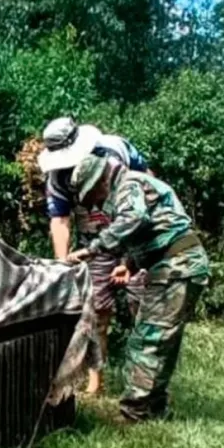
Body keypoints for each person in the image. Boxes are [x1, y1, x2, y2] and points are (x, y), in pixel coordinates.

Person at [66, 154, 209, 423]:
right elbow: (155, 227)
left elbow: (135, 218)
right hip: (177, 264)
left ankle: (135, 413)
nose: (95, 203)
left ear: (101, 182)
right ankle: (154, 409)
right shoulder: (136, 183)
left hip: (176, 266)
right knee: (160, 341)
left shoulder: (128, 185)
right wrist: (129, 264)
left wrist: (91, 250)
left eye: (93, 196)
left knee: (147, 340)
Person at [38, 116, 151, 395]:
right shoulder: (57, 177)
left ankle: (145, 382)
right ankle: (95, 381)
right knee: (96, 311)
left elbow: (148, 184)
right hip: (92, 244)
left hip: (135, 236)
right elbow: (60, 220)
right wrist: (62, 263)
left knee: (143, 305)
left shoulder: (115, 150)